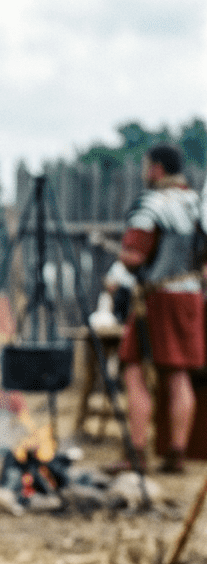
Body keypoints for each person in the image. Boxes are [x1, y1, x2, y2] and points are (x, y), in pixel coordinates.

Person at [116, 144, 205, 473]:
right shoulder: (197, 203)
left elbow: (134, 256)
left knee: (134, 369)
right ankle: (177, 452)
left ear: (156, 169)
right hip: (192, 296)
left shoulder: (150, 204)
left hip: (158, 298)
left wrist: (123, 259)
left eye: (146, 165)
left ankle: (137, 453)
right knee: (179, 375)